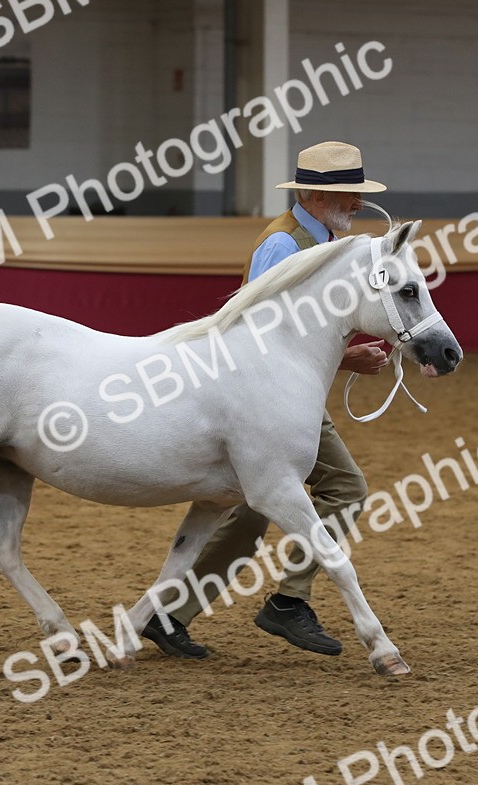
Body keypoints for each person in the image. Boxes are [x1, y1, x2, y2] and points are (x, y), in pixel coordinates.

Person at [141, 141, 391, 660]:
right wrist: (350, 361)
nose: (359, 205)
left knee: (252, 511)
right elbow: (261, 335)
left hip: (279, 397)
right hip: (265, 399)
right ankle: (288, 601)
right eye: (349, 195)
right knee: (345, 487)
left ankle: (171, 615)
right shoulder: (284, 245)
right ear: (315, 195)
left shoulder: (316, 239)